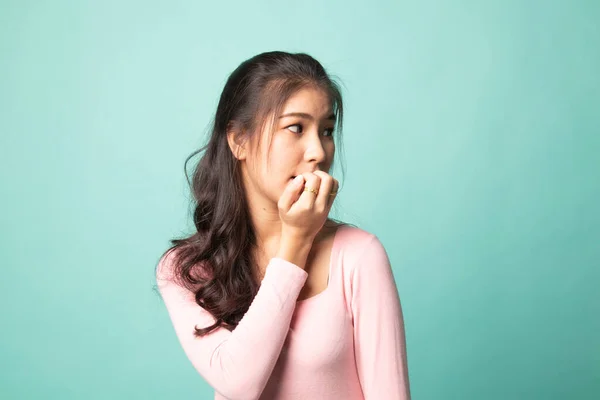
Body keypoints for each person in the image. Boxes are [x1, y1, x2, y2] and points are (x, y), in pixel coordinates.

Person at [155, 51, 411, 399]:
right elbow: (238, 382)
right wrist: (295, 244)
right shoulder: (187, 269)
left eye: (326, 131)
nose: (318, 152)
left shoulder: (359, 255)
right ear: (239, 140)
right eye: (296, 127)